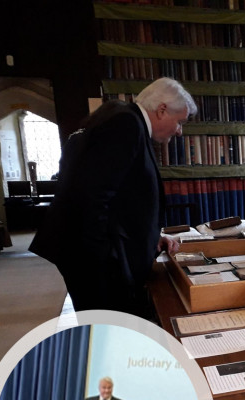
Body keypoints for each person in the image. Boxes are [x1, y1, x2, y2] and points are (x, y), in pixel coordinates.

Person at [29, 77, 196, 318]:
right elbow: (93, 197)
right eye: (180, 122)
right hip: (95, 263)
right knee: (110, 328)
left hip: (94, 255)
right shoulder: (125, 124)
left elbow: (122, 197)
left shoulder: (120, 116)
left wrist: (150, 238)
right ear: (162, 110)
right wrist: (111, 261)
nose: (179, 131)